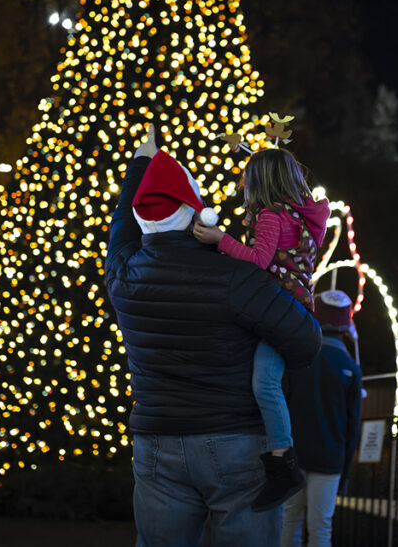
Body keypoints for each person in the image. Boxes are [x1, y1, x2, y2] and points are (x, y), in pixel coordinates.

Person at [105, 126, 322, 547]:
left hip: (156, 441)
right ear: (196, 214)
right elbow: (307, 339)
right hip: (234, 440)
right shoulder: (236, 276)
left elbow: (121, 225)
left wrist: (139, 167)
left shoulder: (123, 274)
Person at [192, 148, 330, 511]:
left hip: (277, 312)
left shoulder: (270, 216)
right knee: (264, 380)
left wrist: (218, 239)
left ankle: (283, 463)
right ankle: (277, 454)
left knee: (264, 383)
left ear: (261, 182)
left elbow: (258, 261)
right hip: (296, 310)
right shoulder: (301, 215)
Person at [280, 289, 363, 547]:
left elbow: (282, 402)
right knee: (320, 527)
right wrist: (346, 470)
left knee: (288, 523)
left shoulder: (297, 357)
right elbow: (353, 426)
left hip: (294, 453)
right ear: (346, 324)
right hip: (330, 459)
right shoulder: (351, 367)